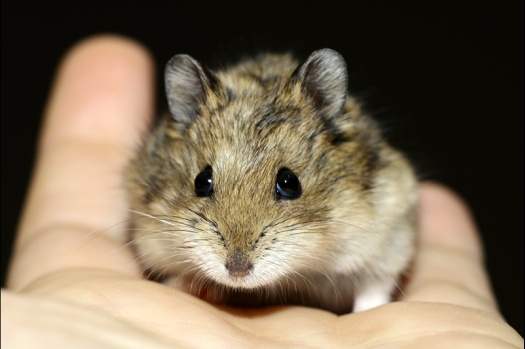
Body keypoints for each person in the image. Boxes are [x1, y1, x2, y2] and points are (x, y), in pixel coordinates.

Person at [2, 35, 522, 348]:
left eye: (285, 185)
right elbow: (148, 196)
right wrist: (181, 274)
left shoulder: (365, 183)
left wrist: (373, 298)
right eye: (206, 185)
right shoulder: (165, 174)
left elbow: (397, 197)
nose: (238, 255)